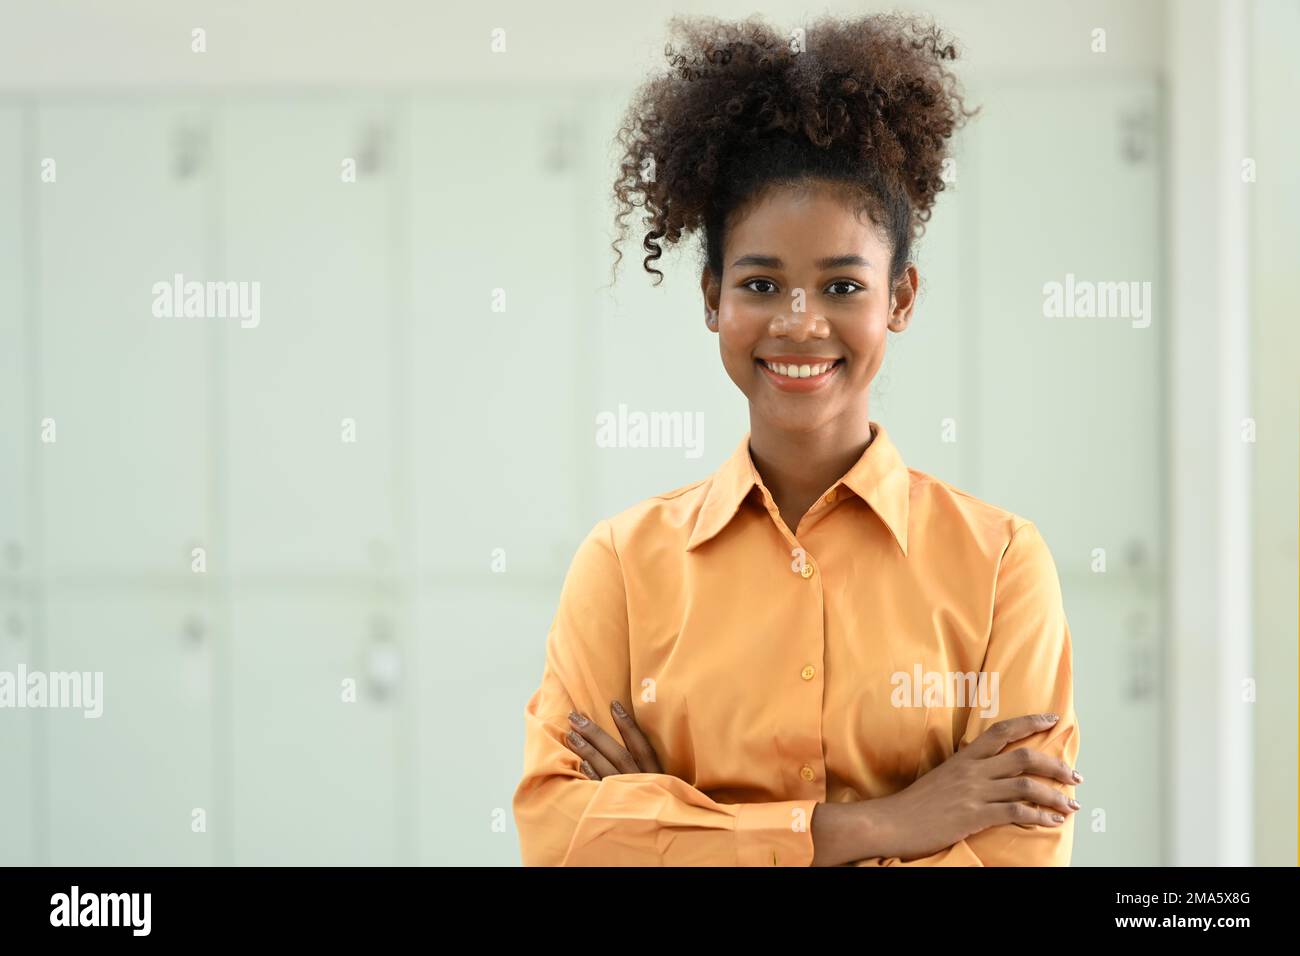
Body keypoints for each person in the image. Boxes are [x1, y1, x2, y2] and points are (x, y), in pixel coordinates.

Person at [512, 11, 1080, 866]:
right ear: (713, 300)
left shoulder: (1001, 566)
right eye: (762, 283)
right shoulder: (623, 568)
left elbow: (1016, 858)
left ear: (902, 298)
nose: (800, 322)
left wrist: (680, 826)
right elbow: (560, 840)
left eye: (843, 284)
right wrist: (887, 823)